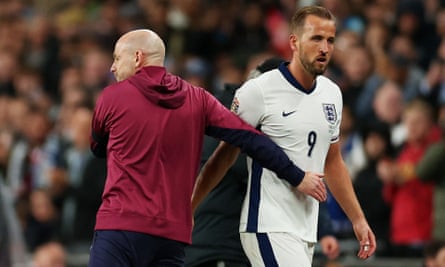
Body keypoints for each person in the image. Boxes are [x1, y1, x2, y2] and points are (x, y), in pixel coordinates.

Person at [88, 29, 326, 266]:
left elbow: (97, 147)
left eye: (117, 58)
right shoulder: (197, 99)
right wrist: (297, 177)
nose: (112, 67)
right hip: (170, 237)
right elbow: (251, 139)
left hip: (120, 228)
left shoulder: (112, 97)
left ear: (138, 57)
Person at [191, 6, 376, 266]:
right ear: (294, 42)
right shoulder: (259, 91)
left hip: (305, 227)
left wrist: (358, 218)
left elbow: (332, 161)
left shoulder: (332, 93)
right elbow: (223, 156)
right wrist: (190, 208)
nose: (324, 48)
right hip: (267, 224)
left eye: (330, 40)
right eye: (316, 38)